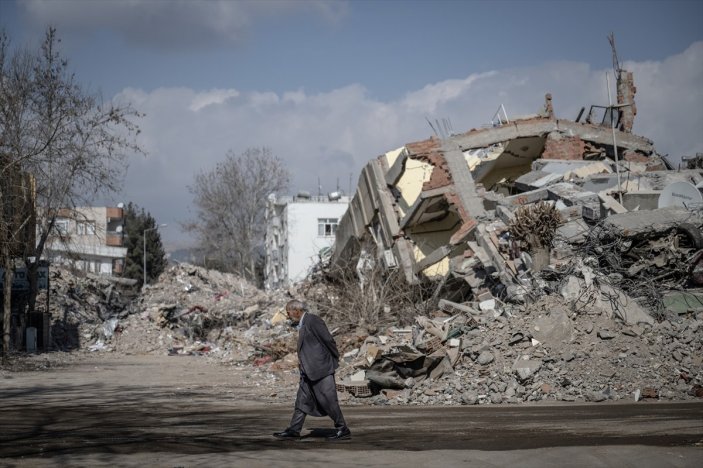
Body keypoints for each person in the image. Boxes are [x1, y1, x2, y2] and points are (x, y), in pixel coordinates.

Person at [273, 299, 351, 441]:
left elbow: (328, 340)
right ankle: (294, 430)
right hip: (308, 371)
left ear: (297, 311)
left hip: (321, 369)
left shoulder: (313, 321)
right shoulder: (303, 323)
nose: (288, 315)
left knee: (329, 400)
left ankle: (342, 429)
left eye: (289, 311)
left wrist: (333, 359)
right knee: (301, 401)